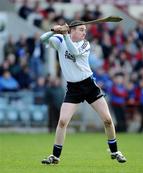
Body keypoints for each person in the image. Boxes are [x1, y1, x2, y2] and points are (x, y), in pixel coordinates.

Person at [40, 20, 126, 164]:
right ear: (72, 30)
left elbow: (73, 51)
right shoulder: (60, 40)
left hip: (89, 86)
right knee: (62, 121)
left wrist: (65, 34)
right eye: (81, 29)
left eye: (84, 30)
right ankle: (55, 156)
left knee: (107, 119)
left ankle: (115, 151)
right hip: (73, 89)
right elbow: (43, 39)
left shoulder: (85, 44)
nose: (84, 32)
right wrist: (54, 30)